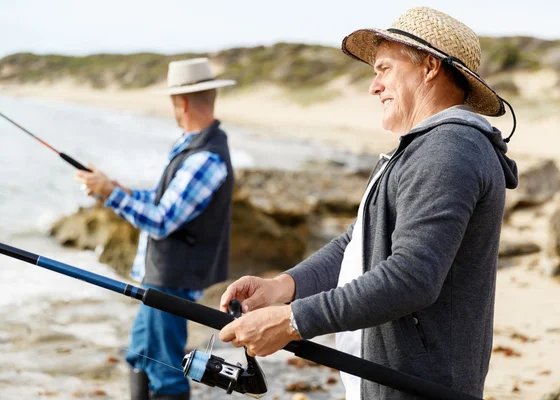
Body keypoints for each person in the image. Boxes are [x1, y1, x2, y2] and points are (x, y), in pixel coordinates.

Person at [218, 7, 519, 400]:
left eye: (384, 69)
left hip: (419, 388)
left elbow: (411, 278)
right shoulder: (427, 148)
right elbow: (358, 244)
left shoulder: (450, 150)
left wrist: (292, 322)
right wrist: (283, 287)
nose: (374, 86)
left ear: (429, 67)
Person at [76, 58, 236, 400]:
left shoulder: (205, 157)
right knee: (140, 355)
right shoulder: (192, 146)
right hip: (161, 278)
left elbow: (162, 221)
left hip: (172, 281)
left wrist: (111, 195)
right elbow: (165, 199)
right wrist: (120, 189)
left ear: (182, 103)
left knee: (165, 371)